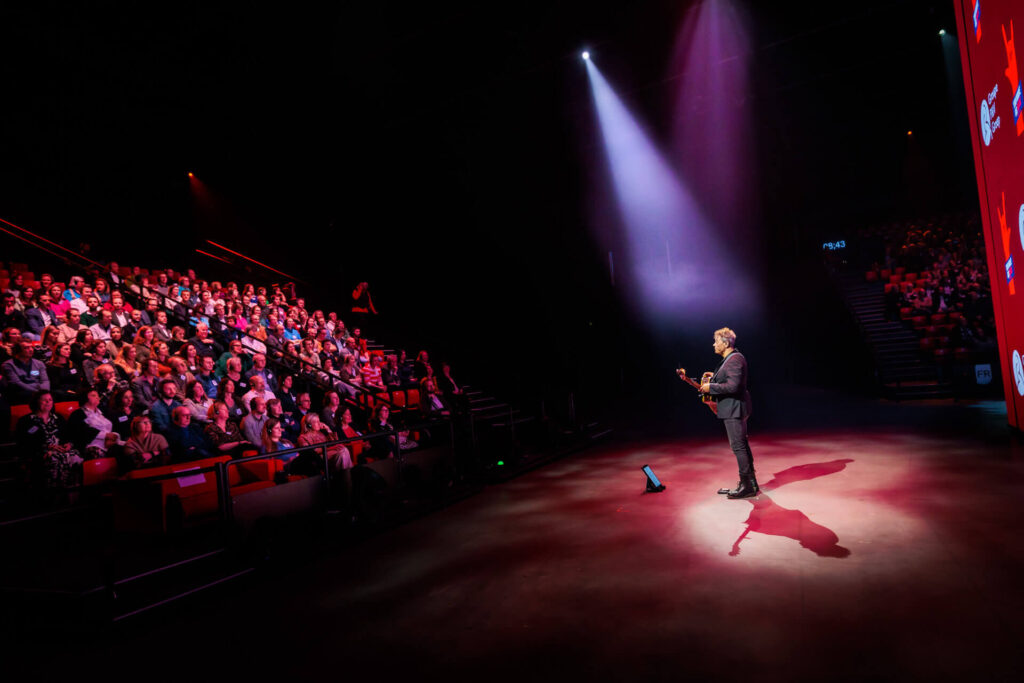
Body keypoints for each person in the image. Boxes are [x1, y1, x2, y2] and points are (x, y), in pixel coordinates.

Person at [696, 327, 757, 499]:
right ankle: (750, 483)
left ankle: (747, 486)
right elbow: (729, 379)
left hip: (734, 408)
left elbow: (733, 386)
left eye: (716, 341)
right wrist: (714, 376)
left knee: (738, 446)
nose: (713, 344)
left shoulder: (734, 359)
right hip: (734, 407)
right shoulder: (731, 359)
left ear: (725, 342)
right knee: (741, 445)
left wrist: (711, 387)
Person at [16, 390, 83, 490]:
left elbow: (69, 435)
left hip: (61, 450)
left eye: (50, 400)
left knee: (75, 456)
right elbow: (24, 442)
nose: (48, 402)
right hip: (40, 452)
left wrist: (68, 444)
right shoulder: (26, 421)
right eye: (44, 400)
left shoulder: (58, 418)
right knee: (53, 459)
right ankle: (53, 494)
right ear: (36, 402)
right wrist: (47, 447)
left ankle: (71, 494)